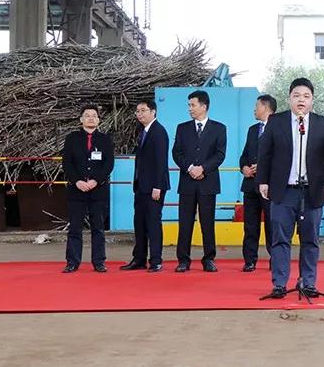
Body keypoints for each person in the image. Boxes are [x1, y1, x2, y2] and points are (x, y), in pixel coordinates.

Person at [256, 78, 324, 299]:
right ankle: (279, 284)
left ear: (312, 100)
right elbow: (264, 153)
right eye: (296, 96)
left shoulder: (323, 124)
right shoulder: (276, 122)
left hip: (313, 191)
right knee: (280, 239)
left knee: (310, 239)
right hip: (283, 191)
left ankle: (308, 282)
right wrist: (263, 181)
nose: (301, 100)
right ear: (289, 98)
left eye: (306, 96)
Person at [171, 89, 227, 272]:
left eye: (193, 105)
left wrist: (202, 168)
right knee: (185, 223)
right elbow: (176, 153)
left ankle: (209, 259)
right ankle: (183, 260)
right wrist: (190, 168)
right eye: (188, 105)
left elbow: (220, 155)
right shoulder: (182, 128)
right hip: (187, 183)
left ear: (204, 106)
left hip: (208, 182)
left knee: (207, 223)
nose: (190, 108)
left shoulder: (219, 128)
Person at [61, 104, 115, 273]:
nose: (91, 118)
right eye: (87, 115)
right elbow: (67, 163)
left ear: (98, 120)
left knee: (98, 227)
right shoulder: (72, 138)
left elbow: (109, 163)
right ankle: (72, 262)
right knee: (75, 228)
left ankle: (99, 262)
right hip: (76, 189)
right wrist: (77, 181)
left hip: (98, 190)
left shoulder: (105, 139)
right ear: (81, 119)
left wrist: (96, 181)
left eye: (94, 115)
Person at [120, 99, 170, 273]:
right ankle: (139, 259)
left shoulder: (159, 131)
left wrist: (158, 186)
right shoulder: (144, 131)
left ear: (153, 111)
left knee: (153, 223)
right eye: (137, 111)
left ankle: (156, 260)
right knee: (139, 223)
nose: (139, 114)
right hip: (141, 186)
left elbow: (161, 161)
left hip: (154, 187)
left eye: (143, 110)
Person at [239, 94, 277, 272]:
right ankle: (249, 260)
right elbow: (244, 155)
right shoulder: (252, 130)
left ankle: (275, 259)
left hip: (270, 185)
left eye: (257, 106)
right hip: (250, 185)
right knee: (250, 225)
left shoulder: (279, 128)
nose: (254, 109)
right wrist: (244, 168)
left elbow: (282, 156)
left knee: (272, 224)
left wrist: (262, 166)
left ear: (266, 107)